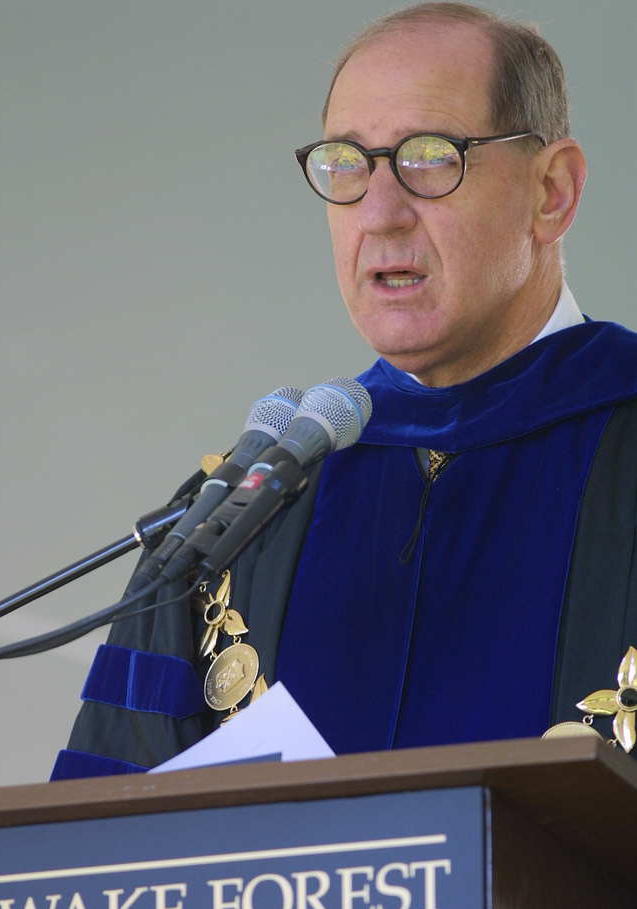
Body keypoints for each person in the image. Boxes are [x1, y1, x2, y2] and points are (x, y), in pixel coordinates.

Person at [53, 2, 637, 779]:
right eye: (347, 164)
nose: (380, 214)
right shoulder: (232, 517)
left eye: (431, 158)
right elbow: (106, 860)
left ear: (551, 192)